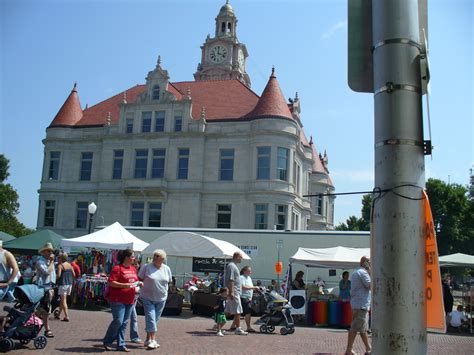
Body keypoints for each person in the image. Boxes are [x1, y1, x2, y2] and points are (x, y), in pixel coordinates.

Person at [103, 249, 142, 352]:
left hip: (130, 299)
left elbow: (134, 280)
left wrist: (139, 283)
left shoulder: (133, 269)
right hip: (117, 299)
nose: (134, 258)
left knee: (124, 323)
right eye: (133, 256)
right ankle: (108, 340)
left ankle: (121, 344)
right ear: (126, 257)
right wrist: (124, 285)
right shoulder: (117, 268)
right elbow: (111, 282)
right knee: (118, 320)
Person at [138, 249, 172, 350]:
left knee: (154, 320)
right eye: (155, 255)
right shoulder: (146, 267)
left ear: (163, 258)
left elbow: (169, 281)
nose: (155, 257)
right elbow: (139, 278)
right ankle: (153, 340)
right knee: (151, 318)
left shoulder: (167, 269)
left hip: (161, 298)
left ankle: (147, 339)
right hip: (147, 297)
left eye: (158, 256)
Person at [345, 256, 371, 355]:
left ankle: (365, 349)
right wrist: (371, 272)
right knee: (359, 327)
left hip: (358, 304)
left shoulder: (357, 272)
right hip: (361, 305)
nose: (371, 264)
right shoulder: (363, 272)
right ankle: (352, 349)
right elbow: (371, 285)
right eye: (369, 262)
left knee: (359, 328)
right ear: (364, 262)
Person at [35, 242, 57, 338]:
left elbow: (53, 275)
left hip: (50, 288)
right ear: (43, 252)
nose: (50, 252)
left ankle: (36, 323)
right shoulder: (40, 262)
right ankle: (47, 329)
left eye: (51, 251)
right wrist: (52, 262)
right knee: (46, 310)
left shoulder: (50, 263)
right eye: (48, 251)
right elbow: (46, 273)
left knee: (44, 310)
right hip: (43, 289)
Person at [224, 251, 247, 335]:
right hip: (235, 291)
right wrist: (231, 292)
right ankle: (238, 328)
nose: (241, 259)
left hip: (235, 291)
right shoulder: (232, 266)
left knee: (228, 311)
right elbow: (231, 279)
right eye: (241, 257)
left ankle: (218, 325)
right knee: (238, 311)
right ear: (237, 256)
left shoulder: (233, 266)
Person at [55, 252, 76, 322]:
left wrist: (53, 279)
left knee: (64, 301)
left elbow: (58, 275)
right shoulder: (70, 265)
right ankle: (58, 315)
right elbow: (74, 274)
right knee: (62, 299)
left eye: (59, 258)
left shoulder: (60, 266)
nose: (58, 259)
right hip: (69, 284)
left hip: (63, 284)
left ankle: (67, 316)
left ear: (61, 258)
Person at [238, 265, 258, 333]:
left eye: (250, 271)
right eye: (249, 271)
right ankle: (248, 327)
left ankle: (233, 325)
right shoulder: (241, 277)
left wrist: (255, 288)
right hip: (243, 297)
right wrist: (253, 288)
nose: (250, 272)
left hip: (248, 297)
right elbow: (243, 287)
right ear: (244, 271)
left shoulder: (249, 278)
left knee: (237, 313)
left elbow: (250, 286)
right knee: (248, 312)